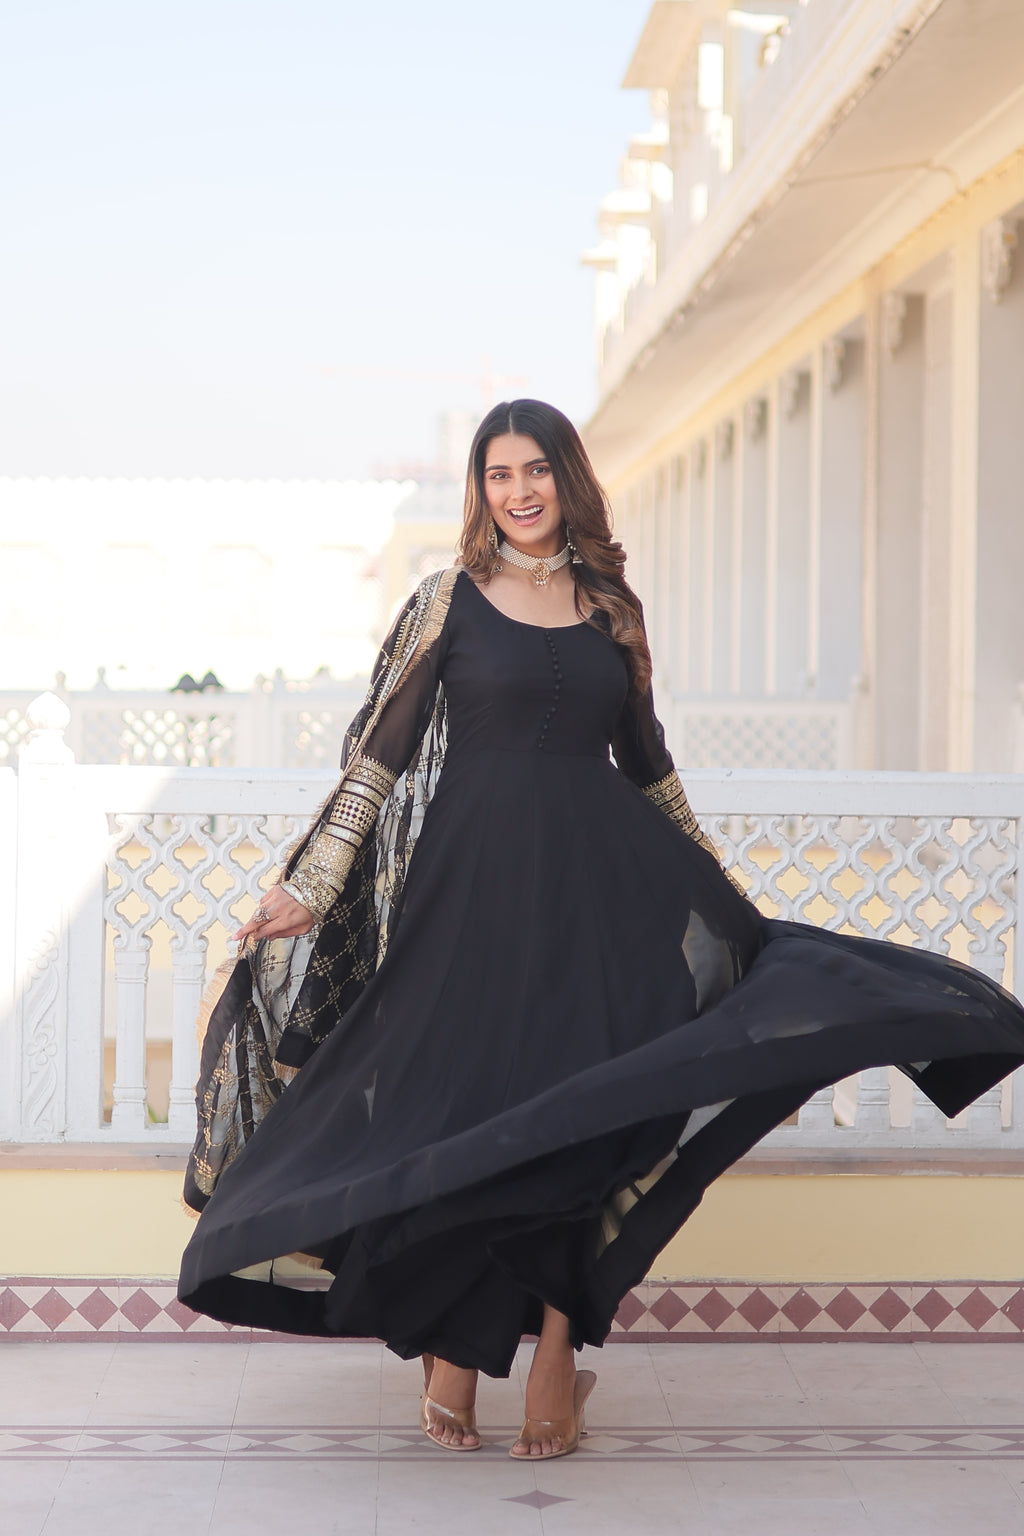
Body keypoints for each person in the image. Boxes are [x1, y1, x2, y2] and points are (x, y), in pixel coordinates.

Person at [178, 398, 1024, 1459]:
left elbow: (648, 761)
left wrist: (720, 892)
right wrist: (312, 878)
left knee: (577, 1115)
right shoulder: (448, 599)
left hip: (600, 897)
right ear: (479, 490)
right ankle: (452, 1348)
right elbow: (380, 757)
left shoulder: (609, 605)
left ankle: (552, 1359)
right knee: (461, 1107)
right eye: (497, 474)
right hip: (470, 896)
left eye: (536, 471)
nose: (518, 491)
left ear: (567, 480)